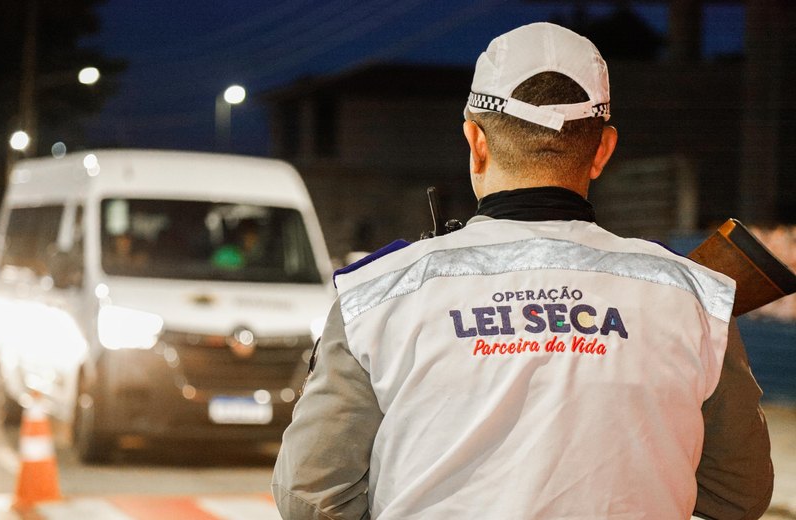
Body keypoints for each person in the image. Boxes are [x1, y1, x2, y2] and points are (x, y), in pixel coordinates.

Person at [272, 22, 773, 519]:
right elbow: (738, 495)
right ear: (602, 149)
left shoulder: (378, 296)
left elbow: (311, 497)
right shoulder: (692, 301)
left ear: (476, 141)